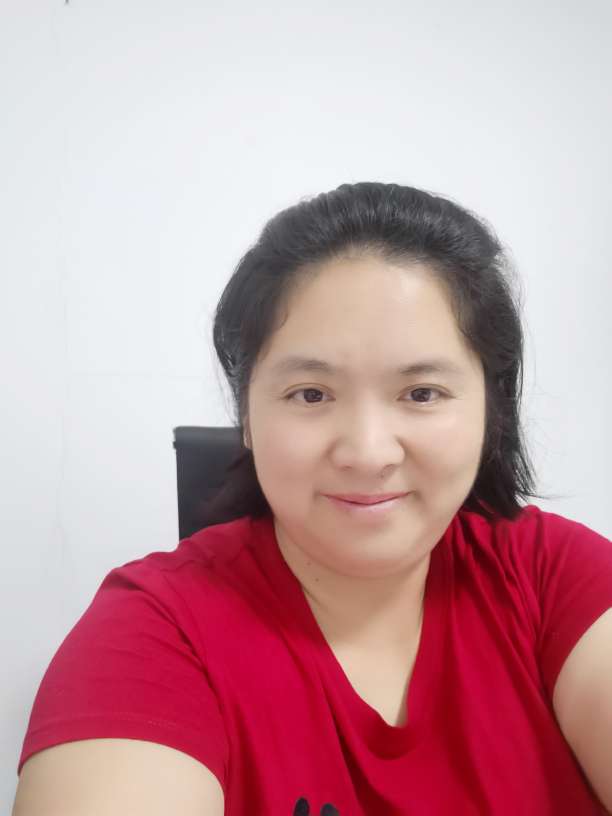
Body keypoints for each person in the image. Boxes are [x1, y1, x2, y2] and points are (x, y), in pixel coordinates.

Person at [12, 182, 612, 815]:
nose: (368, 452)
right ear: (247, 415)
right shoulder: (153, 632)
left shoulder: (551, 576)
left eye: (422, 393)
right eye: (311, 394)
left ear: (491, 409)